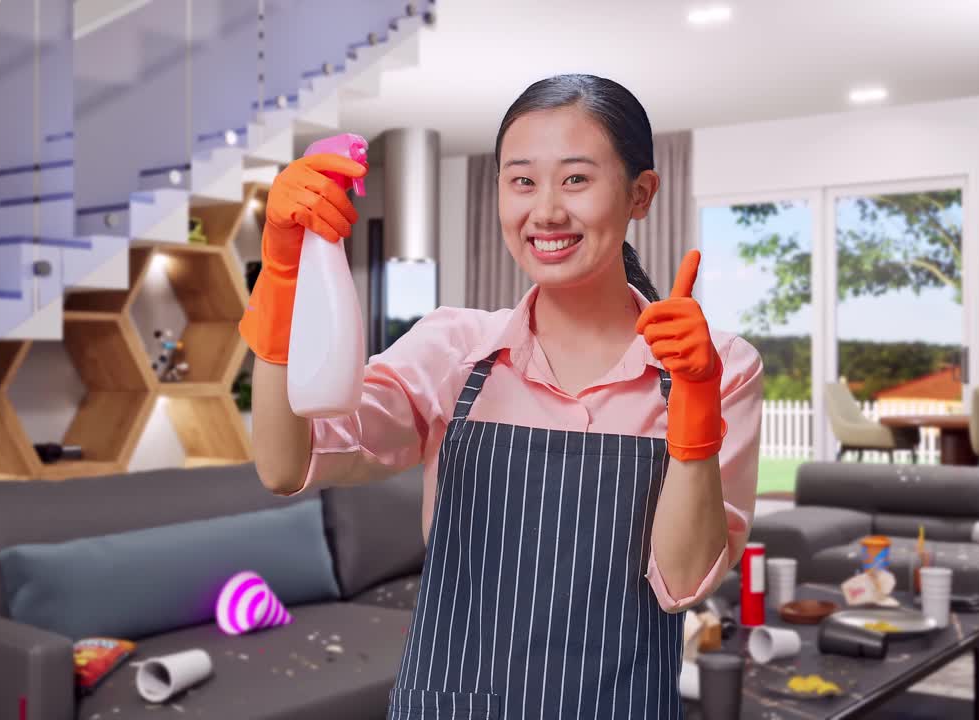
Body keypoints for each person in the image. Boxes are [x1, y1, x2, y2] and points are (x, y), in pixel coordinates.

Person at [239, 73, 763, 720]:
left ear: (640, 194)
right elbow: (284, 465)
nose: (545, 210)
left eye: (576, 179)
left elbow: (683, 584)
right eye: (521, 181)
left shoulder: (721, 368)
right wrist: (283, 282)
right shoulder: (453, 349)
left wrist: (693, 406)